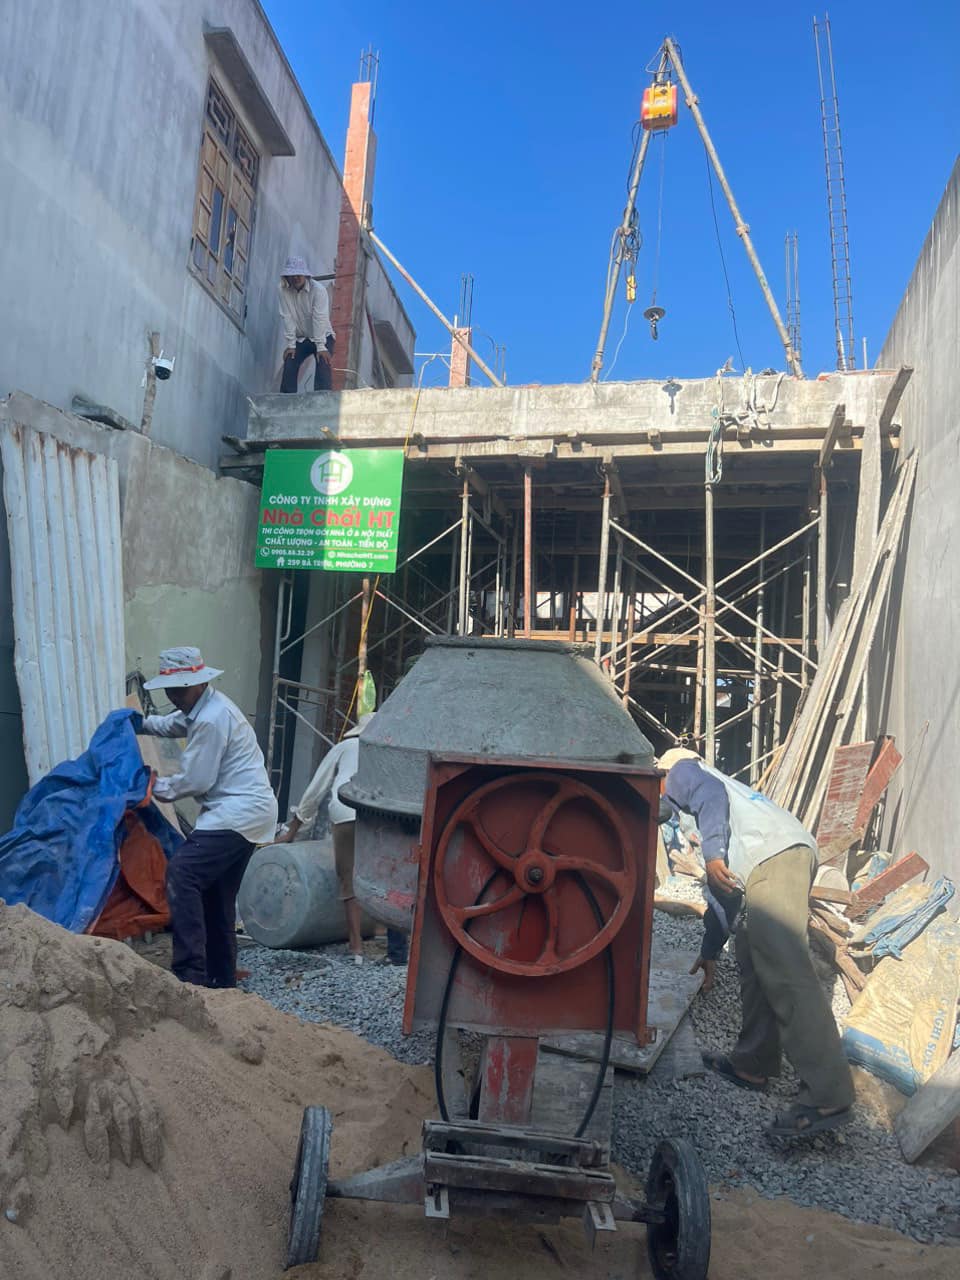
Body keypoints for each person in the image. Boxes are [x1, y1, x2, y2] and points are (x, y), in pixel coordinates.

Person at [657, 746, 855, 1139]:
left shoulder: (683, 770)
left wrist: (712, 854)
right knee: (751, 952)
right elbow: (725, 895)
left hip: (774, 858)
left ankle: (828, 1093)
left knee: (785, 966)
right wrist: (710, 951)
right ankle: (752, 1064)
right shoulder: (719, 802)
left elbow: (709, 797)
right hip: (778, 856)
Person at [139, 647, 278, 988]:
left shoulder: (211, 719)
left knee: (182, 873)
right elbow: (173, 723)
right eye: (170, 690)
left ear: (199, 684)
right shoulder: (203, 708)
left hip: (237, 812)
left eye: (179, 690)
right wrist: (141, 723)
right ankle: (221, 979)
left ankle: (189, 972)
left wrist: (154, 786)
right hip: (247, 813)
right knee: (217, 897)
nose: (174, 696)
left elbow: (196, 780)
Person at [277, 712, 408, 967]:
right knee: (387, 877)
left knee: (348, 877)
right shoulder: (389, 750)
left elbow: (316, 788)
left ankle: (356, 947)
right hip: (380, 814)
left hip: (346, 810)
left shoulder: (344, 747)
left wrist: (294, 829)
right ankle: (396, 951)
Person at [278, 255, 335, 392]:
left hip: (322, 336)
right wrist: (291, 345)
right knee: (290, 361)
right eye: (292, 275)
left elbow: (319, 318)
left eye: (299, 274)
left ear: (305, 275)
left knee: (323, 363)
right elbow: (287, 317)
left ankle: (322, 399)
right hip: (301, 338)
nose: (296, 278)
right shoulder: (283, 290)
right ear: (287, 277)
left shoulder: (318, 290)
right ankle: (286, 399)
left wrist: (320, 346)